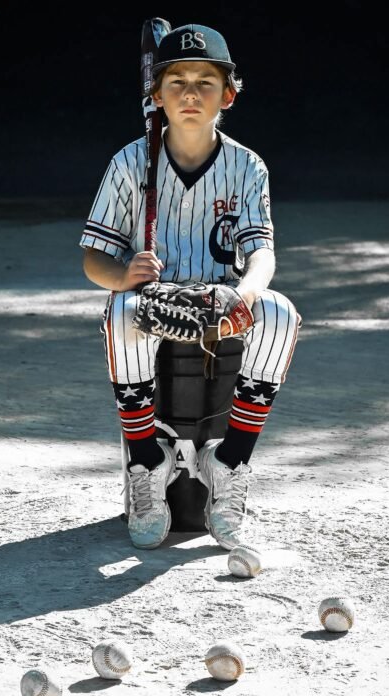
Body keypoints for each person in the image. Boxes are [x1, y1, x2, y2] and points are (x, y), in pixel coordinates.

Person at [80, 23, 301, 550]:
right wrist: (123, 275)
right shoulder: (130, 162)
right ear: (155, 94)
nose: (190, 93)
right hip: (154, 298)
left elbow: (262, 252)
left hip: (223, 296)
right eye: (176, 80)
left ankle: (230, 461)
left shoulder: (247, 166)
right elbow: (93, 257)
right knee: (120, 311)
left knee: (280, 314)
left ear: (228, 93)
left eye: (206, 81)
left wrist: (244, 294)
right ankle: (147, 461)